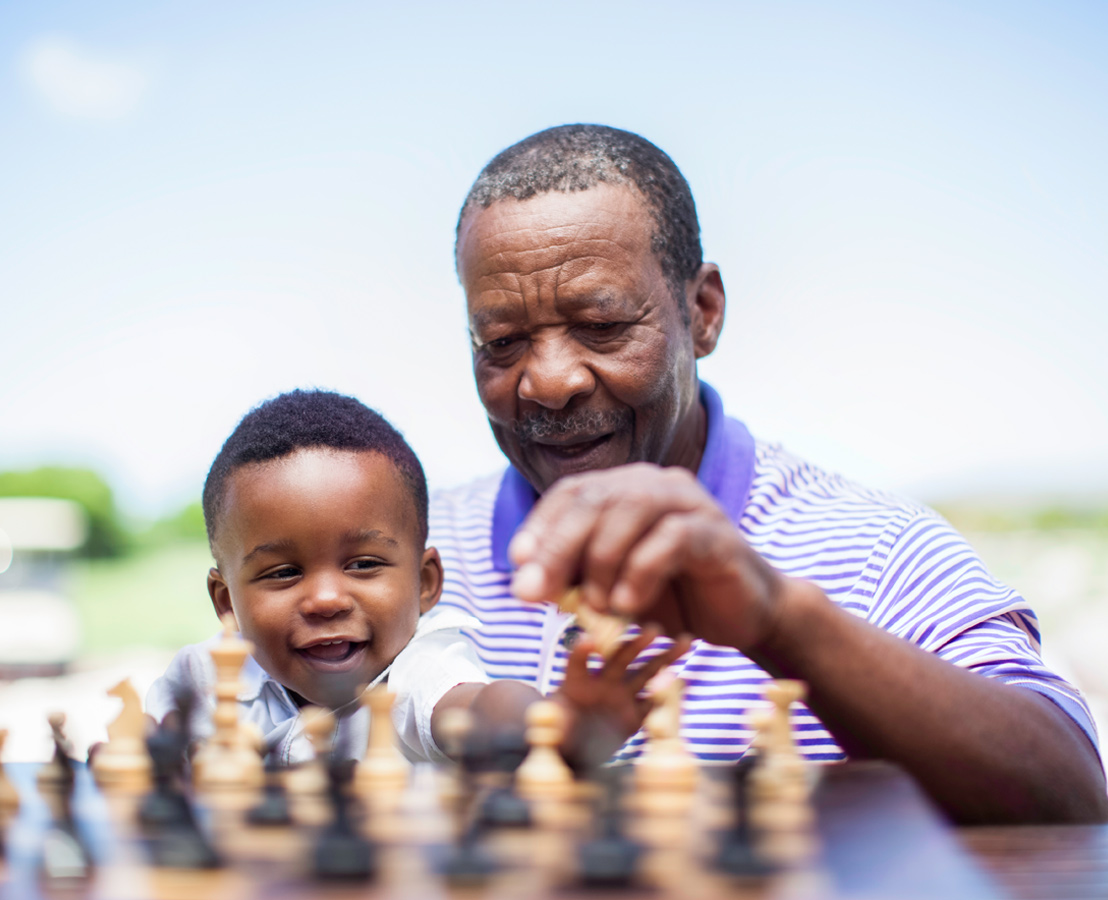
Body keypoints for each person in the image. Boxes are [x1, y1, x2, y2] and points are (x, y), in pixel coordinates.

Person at [432, 123, 1108, 823]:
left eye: (601, 326)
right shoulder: (406, 558)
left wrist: (781, 622)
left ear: (703, 311)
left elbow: (1073, 796)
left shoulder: (876, 553)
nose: (549, 381)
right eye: (502, 343)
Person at [147, 389, 686, 765]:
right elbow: (142, 751)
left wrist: (555, 724)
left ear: (426, 582)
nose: (327, 599)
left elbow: (479, 709)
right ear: (225, 602)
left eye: (363, 564)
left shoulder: (417, 675)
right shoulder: (200, 677)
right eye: (283, 573)